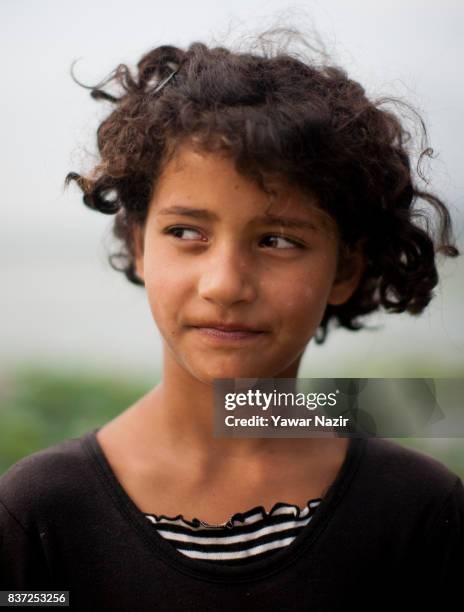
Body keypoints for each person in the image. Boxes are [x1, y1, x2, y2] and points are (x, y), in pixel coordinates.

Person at [1, 30, 463, 611]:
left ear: (345, 269)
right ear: (140, 246)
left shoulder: (421, 511)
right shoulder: (40, 513)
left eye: (277, 240)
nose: (224, 284)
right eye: (186, 232)